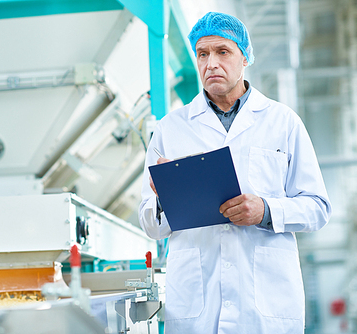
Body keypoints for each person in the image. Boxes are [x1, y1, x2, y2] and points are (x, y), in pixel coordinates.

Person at [138, 12, 332, 334]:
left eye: (222, 52)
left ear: (245, 58)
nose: (211, 63)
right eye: (203, 54)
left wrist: (266, 210)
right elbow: (150, 223)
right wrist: (166, 200)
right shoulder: (169, 130)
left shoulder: (282, 122)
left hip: (265, 307)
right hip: (197, 309)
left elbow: (318, 207)